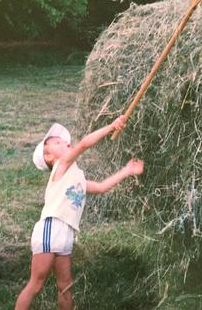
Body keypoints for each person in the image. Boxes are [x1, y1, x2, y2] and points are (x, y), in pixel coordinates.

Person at [15, 116, 144, 310]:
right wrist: (111, 126)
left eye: (65, 141)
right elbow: (83, 144)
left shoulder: (77, 177)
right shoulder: (61, 166)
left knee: (65, 287)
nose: (66, 143)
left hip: (66, 233)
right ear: (49, 157)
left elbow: (101, 187)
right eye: (57, 143)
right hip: (51, 227)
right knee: (36, 284)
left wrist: (126, 171)